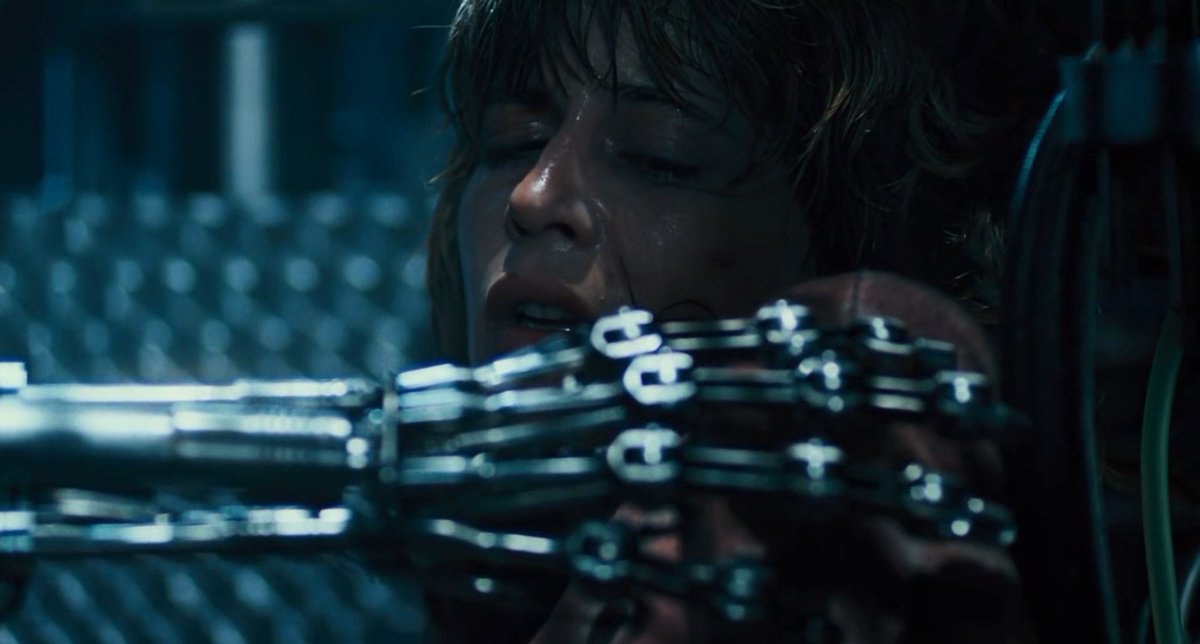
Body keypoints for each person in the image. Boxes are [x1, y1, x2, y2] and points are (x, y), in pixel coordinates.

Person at [419, 0, 1052, 641]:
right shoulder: (476, 573)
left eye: (659, 155)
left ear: (847, 237)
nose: (533, 194)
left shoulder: (884, 399)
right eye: (515, 141)